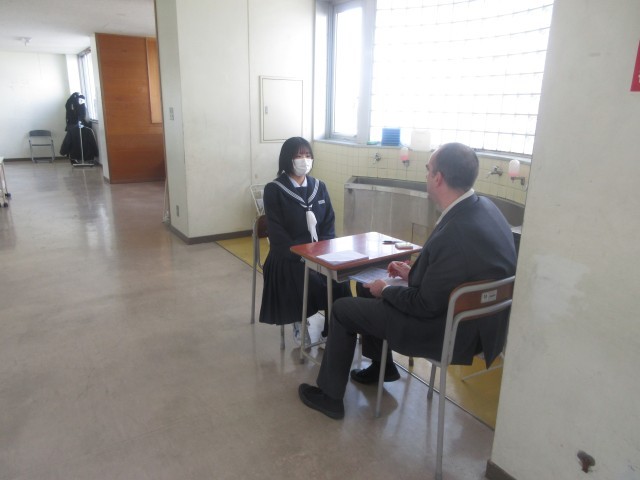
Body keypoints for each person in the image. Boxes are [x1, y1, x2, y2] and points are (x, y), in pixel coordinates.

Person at [298, 142, 517, 419]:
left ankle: (330, 397)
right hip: (475, 322)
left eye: (428, 170)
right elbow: (457, 273)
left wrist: (386, 290)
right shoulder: (485, 209)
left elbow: (424, 304)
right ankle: (382, 367)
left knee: (343, 309)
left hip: (444, 331)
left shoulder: (455, 232)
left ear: (438, 178)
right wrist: (412, 273)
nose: (426, 175)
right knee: (365, 289)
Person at [259, 137, 351, 346]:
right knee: (304, 276)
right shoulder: (274, 189)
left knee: (340, 279)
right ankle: (299, 321)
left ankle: (333, 328)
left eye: (308, 155)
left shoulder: (320, 186)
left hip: (319, 253)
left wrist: (322, 252)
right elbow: (277, 232)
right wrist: (302, 256)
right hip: (288, 256)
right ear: (287, 159)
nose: (304, 160)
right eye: (298, 155)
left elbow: (328, 223)